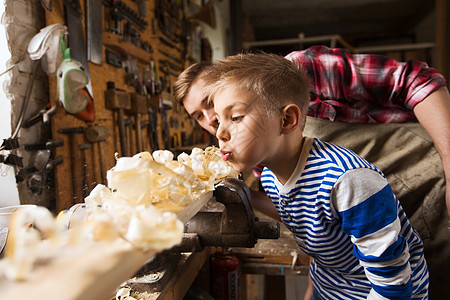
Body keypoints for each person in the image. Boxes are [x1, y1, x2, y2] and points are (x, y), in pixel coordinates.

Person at [173, 46, 449, 299]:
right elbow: (315, 223)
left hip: (429, 189)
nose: (213, 125)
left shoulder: (292, 76)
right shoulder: (267, 166)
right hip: (350, 270)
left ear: (287, 120)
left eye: (219, 108)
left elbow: (417, 81)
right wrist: (316, 285)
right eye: (201, 116)